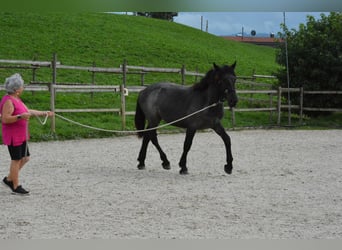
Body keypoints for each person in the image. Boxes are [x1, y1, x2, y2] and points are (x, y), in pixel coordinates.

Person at [0, 73, 54, 195]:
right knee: (16, 159)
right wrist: (20, 117)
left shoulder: (16, 99)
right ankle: (15, 185)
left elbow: (27, 111)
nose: (23, 88)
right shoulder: (8, 101)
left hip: (21, 135)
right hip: (13, 135)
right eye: (22, 86)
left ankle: (9, 179)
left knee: (25, 158)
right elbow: (5, 119)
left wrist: (44, 113)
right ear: (16, 90)